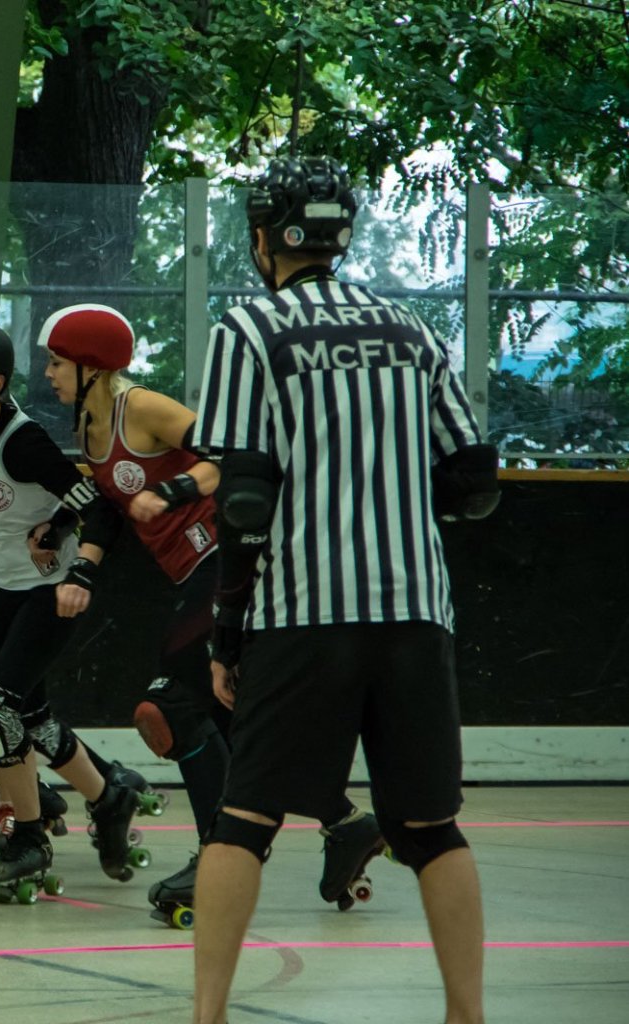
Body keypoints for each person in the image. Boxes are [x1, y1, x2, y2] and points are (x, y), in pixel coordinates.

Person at [189, 157, 497, 1024]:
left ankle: (207, 1016)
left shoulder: (251, 329)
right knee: (430, 826)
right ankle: (465, 1015)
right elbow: (473, 479)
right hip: (412, 609)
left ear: (265, 239)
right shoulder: (411, 329)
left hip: (302, 612)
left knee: (243, 819)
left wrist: (225, 633)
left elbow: (243, 499)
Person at [37, 303, 384, 928]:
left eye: (57, 362)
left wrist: (173, 490)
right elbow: (113, 508)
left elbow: (229, 455)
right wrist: (82, 567)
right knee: (237, 729)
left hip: (237, 563)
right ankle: (346, 823)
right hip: (196, 576)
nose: (49, 373)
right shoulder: (87, 427)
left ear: (92, 368)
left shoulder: (138, 408)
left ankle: (218, 857)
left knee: (169, 707)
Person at [0, 322, 148, 894]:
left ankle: (28, 834)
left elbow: (100, 508)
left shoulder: (23, 443)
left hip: (48, 591)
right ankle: (109, 796)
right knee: (33, 720)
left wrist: (72, 555)